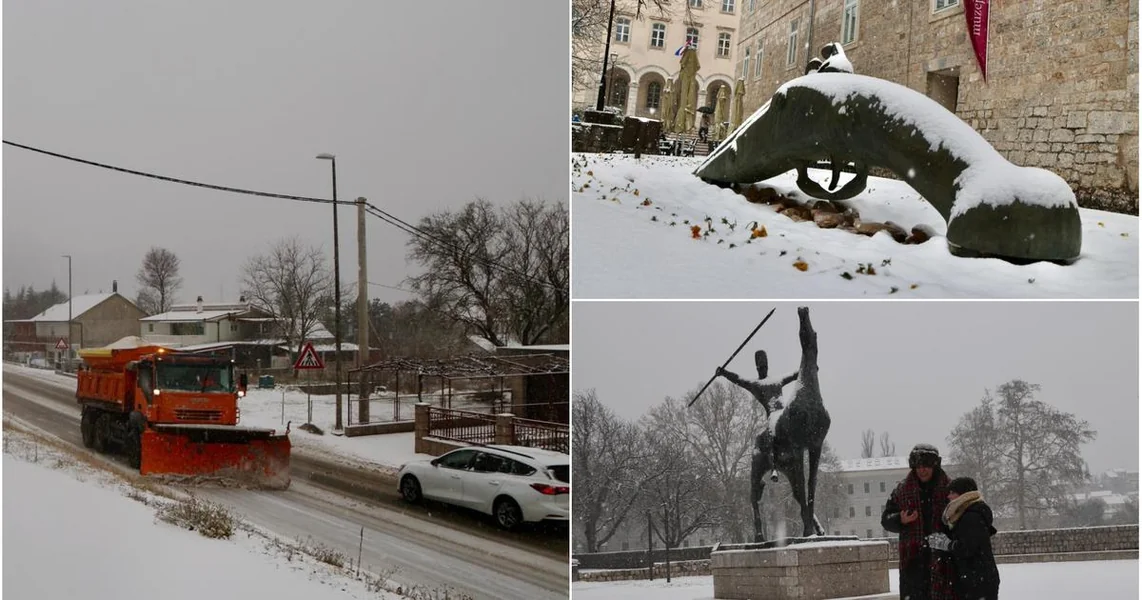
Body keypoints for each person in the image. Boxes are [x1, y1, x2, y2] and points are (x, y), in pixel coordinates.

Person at [881, 443, 955, 600]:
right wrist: (899, 519)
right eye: (918, 465)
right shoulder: (901, 490)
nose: (922, 470)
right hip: (913, 563)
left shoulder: (951, 490)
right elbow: (886, 520)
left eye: (927, 465)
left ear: (935, 465)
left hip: (944, 560)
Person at [716, 350, 798, 482]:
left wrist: (809, 368)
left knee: (774, 437)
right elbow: (738, 379)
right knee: (770, 439)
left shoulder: (777, 380)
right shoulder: (756, 385)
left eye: (764, 367)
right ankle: (775, 468)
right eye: (760, 368)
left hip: (782, 415)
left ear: (767, 367)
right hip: (774, 418)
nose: (762, 370)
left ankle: (778, 466)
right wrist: (724, 373)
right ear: (757, 368)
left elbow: (795, 375)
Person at [926, 477, 1001, 600]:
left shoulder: (971, 516)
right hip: (977, 579)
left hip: (977, 581)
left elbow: (967, 548)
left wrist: (946, 544)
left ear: (964, 495)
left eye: (952, 493)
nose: (948, 496)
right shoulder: (968, 513)